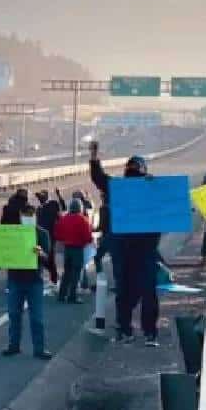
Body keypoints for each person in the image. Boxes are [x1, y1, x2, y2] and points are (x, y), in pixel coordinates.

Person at [90, 141, 162, 347]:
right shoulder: (122, 188)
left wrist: (94, 157)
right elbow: (99, 179)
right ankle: (143, 332)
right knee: (141, 292)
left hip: (131, 249)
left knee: (130, 292)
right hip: (139, 250)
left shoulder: (124, 188)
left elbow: (99, 179)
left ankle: (129, 330)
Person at [3, 204, 53, 360]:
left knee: (37, 318)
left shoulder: (42, 234)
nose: (27, 218)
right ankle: (13, 345)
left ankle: (39, 348)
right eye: (25, 215)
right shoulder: (13, 233)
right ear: (20, 216)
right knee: (13, 315)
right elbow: (4, 252)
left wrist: (40, 253)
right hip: (15, 279)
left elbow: (47, 260)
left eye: (30, 215)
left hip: (34, 281)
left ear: (35, 216)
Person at [54, 198, 93, 304]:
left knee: (66, 273)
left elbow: (58, 235)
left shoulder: (63, 219)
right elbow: (88, 237)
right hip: (78, 249)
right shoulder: (83, 220)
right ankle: (72, 296)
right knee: (76, 273)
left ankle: (62, 295)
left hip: (67, 248)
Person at [36, 188, 66, 284]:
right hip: (40, 236)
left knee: (50, 257)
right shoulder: (38, 209)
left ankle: (54, 278)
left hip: (51, 236)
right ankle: (53, 274)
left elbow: (63, 207)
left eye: (42, 196)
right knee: (42, 258)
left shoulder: (53, 204)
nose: (41, 198)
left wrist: (59, 195)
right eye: (40, 197)